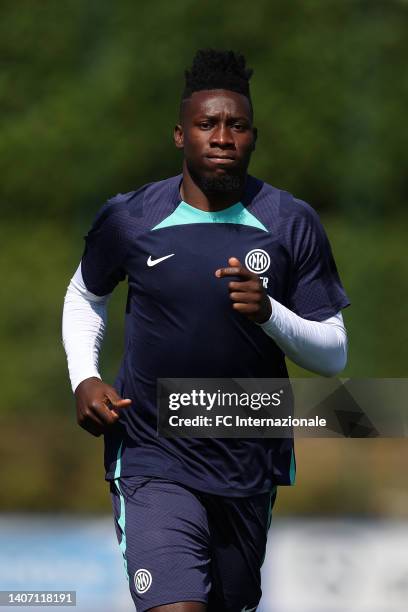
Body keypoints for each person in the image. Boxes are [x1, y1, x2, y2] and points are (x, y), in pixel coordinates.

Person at [62, 49, 350, 612]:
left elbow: (334, 353)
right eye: (207, 124)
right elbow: (84, 295)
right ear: (180, 135)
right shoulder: (129, 218)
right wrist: (84, 376)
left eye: (236, 126)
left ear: (253, 137)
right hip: (150, 455)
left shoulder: (292, 223)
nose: (222, 136)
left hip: (248, 465)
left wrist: (272, 313)